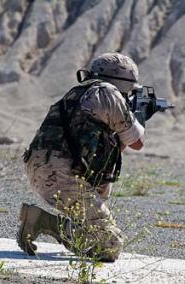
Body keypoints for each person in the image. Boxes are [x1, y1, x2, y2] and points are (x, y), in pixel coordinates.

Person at [17, 52, 145, 262]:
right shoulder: (109, 94)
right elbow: (137, 142)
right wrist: (138, 118)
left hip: (39, 168)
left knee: (96, 205)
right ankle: (43, 221)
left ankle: (65, 224)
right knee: (110, 246)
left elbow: (107, 150)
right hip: (64, 176)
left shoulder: (76, 93)